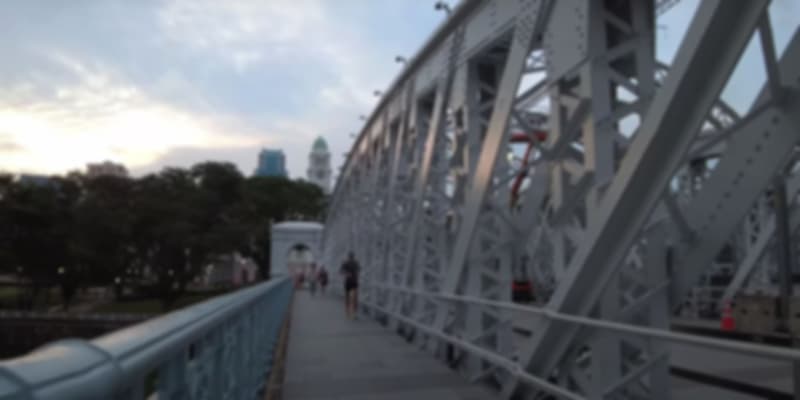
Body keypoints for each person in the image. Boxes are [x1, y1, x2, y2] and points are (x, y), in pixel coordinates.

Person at [340, 252, 360, 320]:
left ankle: (348, 312)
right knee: (353, 298)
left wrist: (346, 273)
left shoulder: (346, 263)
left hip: (349, 282)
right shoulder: (355, 263)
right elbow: (359, 270)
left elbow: (341, 271)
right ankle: (353, 313)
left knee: (348, 297)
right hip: (354, 282)